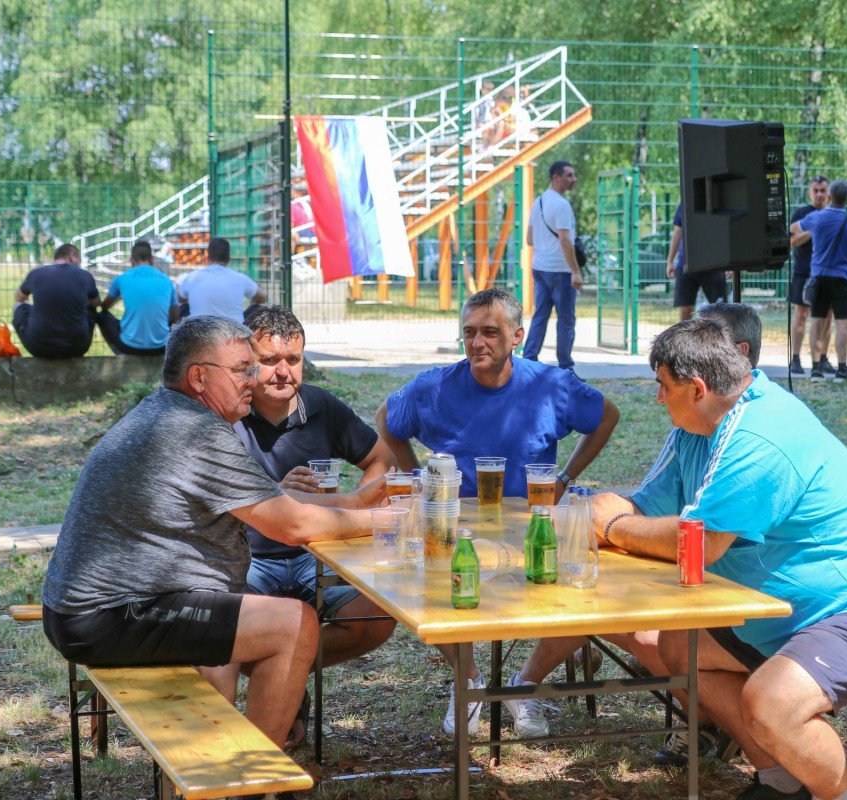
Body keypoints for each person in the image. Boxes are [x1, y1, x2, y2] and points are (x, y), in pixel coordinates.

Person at [588, 319, 847, 800]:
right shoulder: (702, 424)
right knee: (678, 647)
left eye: (663, 386)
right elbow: (650, 510)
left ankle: (843, 796)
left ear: (697, 389)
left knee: (772, 703)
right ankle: (783, 783)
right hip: (801, 614)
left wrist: (612, 525)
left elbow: (700, 544)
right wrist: (603, 511)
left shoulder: (762, 433)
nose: (658, 398)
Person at [41, 316, 390, 749]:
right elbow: (293, 525)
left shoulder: (167, 413)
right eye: (242, 369)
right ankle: (254, 774)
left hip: (105, 608)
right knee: (295, 624)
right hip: (109, 615)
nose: (253, 379)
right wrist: (389, 523)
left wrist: (354, 502)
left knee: (238, 631)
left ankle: (219, 763)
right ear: (199, 378)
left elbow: (271, 500)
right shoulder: (197, 432)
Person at [376, 288, 619, 739]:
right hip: (456, 531)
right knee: (430, 580)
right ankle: (468, 682)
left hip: (535, 527)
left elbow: (607, 416)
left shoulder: (551, 385)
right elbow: (386, 421)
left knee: (588, 583)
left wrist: (565, 476)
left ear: (517, 337)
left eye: (490, 332)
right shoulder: (434, 387)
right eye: (469, 332)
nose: (477, 343)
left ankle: (526, 684)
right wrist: (418, 481)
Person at [235, 305, 398, 746]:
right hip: (248, 558)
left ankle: (285, 678)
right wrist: (277, 495)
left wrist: (348, 510)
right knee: (226, 628)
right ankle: (283, 695)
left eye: (293, 359)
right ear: (246, 360)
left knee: (379, 615)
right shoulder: (228, 411)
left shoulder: (321, 406)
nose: (283, 372)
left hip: (316, 554)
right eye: (270, 360)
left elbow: (381, 459)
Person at [791, 180, 847, 382]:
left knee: (817, 321)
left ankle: (815, 369)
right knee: (842, 325)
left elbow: (794, 228)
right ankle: (842, 369)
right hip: (843, 279)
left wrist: (815, 231)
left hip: (819, 278)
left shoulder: (816, 217)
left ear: (829, 196)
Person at [524, 161, 584, 371]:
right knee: (566, 320)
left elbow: (529, 239)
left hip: (540, 267)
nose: (573, 179)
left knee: (540, 316)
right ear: (556, 177)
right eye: (569, 175)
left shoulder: (538, 202)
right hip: (561, 270)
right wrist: (576, 272)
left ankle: (528, 362)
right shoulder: (562, 205)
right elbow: (565, 241)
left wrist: (545, 246)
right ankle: (566, 367)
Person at [12, 243, 100, 359]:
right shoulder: (85, 276)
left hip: (38, 348)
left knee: (19, 305)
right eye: (79, 259)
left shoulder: (36, 273)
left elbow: (19, 298)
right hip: (78, 347)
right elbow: (96, 303)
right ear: (72, 256)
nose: (80, 263)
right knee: (91, 308)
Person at [96, 239, 179, 356]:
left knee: (101, 315)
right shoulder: (166, 280)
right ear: (152, 260)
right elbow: (175, 316)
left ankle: (119, 352)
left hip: (129, 347)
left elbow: (104, 306)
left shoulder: (122, 278)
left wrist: (120, 296)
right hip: (161, 347)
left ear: (131, 261)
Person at [788, 176, 834, 376]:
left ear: (829, 193)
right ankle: (795, 359)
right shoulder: (802, 214)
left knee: (827, 316)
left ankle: (822, 359)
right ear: (810, 192)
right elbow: (792, 241)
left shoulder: (834, 214)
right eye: (816, 190)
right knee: (801, 315)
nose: (820, 194)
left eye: (823, 190)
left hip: (828, 273)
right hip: (804, 271)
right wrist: (814, 230)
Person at [177, 237, 267, 322]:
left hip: (198, 330)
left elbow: (180, 299)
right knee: (257, 307)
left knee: (184, 307)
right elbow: (262, 298)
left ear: (207, 257)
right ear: (229, 259)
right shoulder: (241, 278)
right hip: (234, 331)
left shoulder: (191, 278)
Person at [667, 202, 728, 321]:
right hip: (686, 263)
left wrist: (729, 264)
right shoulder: (685, 202)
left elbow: (726, 231)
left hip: (715, 264)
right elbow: (677, 232)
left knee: (720, 312)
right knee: (685, 310)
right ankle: (686, 334)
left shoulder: (720, 200)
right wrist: (670, 261)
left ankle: (720, 334)